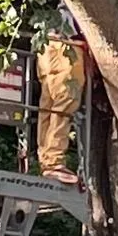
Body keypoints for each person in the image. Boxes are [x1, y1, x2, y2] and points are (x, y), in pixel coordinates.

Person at [35, 18, 86, 184]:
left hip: (48, 42)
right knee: (66, 101)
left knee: (49, 104)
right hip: (68, 46)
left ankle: (46, 161)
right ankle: (54, 161)